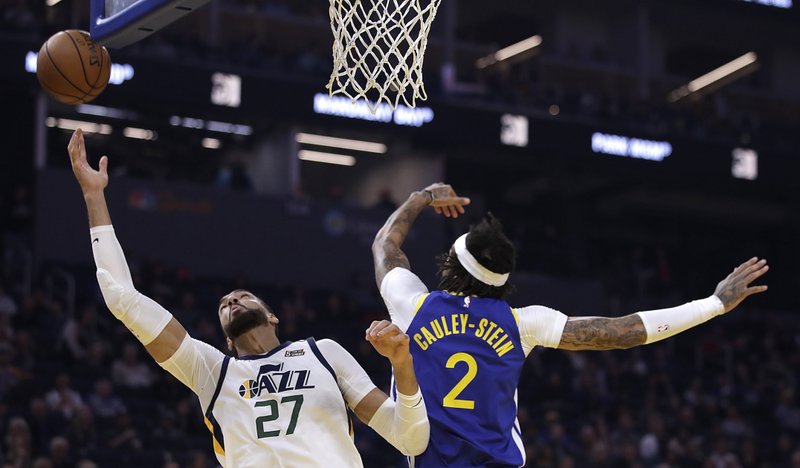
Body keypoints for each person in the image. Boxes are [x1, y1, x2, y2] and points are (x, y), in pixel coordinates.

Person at [66, 128, 429, 467]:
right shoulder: (212, 370)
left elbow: (409, 439)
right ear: (226, 339)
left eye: (242, 295)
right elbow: (120, 296)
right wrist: (93, 195)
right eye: (224, 303)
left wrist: (402, 363)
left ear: (273, 316)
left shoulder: (323, 353)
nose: (231, 300)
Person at [372, 182, 769, 467]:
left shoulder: (412, 303)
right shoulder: (523, 323)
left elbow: (386, 245)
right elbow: (625, 331)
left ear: (451, 265)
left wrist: (421, 197)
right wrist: (713, 304)